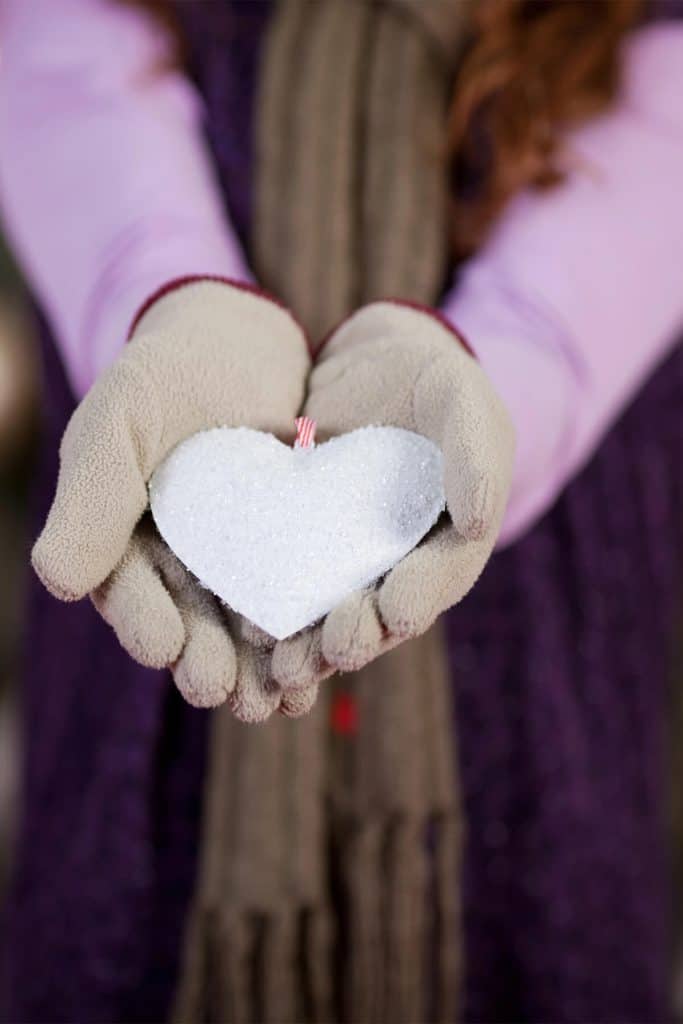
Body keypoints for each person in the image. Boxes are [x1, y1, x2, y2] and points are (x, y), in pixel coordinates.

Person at [0, 0, 682, 1020]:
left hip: (539, 695)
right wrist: (165, 301)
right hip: (151, 702)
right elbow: (59, 45)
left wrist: (487, 386)